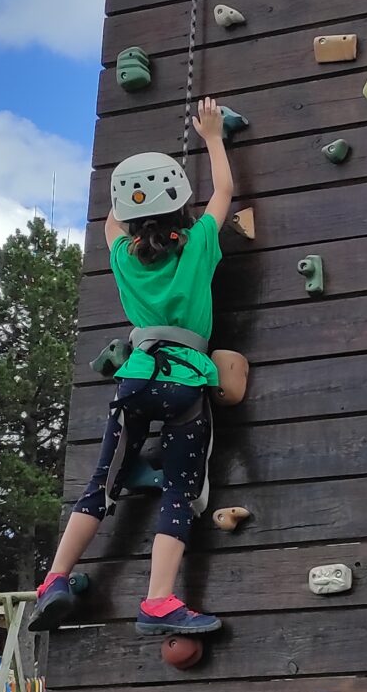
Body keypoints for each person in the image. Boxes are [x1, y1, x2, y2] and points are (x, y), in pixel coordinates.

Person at [31, 96, 248, 637]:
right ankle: (157, 600)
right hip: (186, 384)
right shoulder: (198, 244)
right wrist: (213, 136)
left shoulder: (123, 253)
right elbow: (223, 192)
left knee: (101, 483)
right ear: (180, 210)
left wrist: (130, 181)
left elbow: (114, 219)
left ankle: (55, 578)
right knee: (179, 491)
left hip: (136, 377)